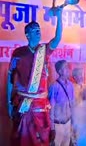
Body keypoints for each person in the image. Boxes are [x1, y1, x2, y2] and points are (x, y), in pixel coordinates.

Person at [7, 8, 63, 146]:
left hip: (41, 107)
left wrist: (60, 17)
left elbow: (58, 38)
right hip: (24, 105)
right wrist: (8, 103)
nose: (38, 32)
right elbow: (10, 80)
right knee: (23, 140)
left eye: (39, 29)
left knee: (42, 141)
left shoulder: (44, 50)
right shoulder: (18, 54)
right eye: (34, 30)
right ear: (27, 34)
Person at [48, 60, 75, 146]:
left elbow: (72, 104)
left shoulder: (71, 85)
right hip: (57, 125)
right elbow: (51, 108)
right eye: (66, 68)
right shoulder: (54, 86)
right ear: (60, 71)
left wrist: (74, 121)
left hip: (68, 122)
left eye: (68, 67)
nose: (68, 69)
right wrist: (52, 128)